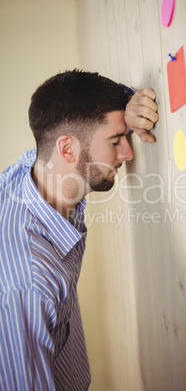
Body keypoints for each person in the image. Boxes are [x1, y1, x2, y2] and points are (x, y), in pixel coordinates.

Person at [0, 70, 158, 390]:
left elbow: (71, 106)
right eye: (116, 141)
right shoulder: (29, 286)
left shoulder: (35, 172)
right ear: (68, 149)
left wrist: (127, 103)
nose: (127, 154)